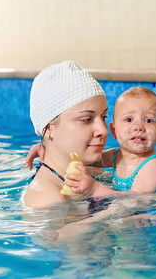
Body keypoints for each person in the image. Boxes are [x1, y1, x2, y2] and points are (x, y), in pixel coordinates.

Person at [26, 86, 156, 199]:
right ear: (114, 131)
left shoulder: (153, 165)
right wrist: (48, 147)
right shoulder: (117, 155)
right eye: (129, 120)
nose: (138, 127)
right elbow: (89, 159)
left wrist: (95, 190)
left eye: (149, 120)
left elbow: (135, 201)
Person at [23, 60, 109, 208]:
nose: (103, 130)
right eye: (86, 119)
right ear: (49, 128)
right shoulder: (48, 199)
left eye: (103, 117)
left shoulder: (89, 171)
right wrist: (123, 207)